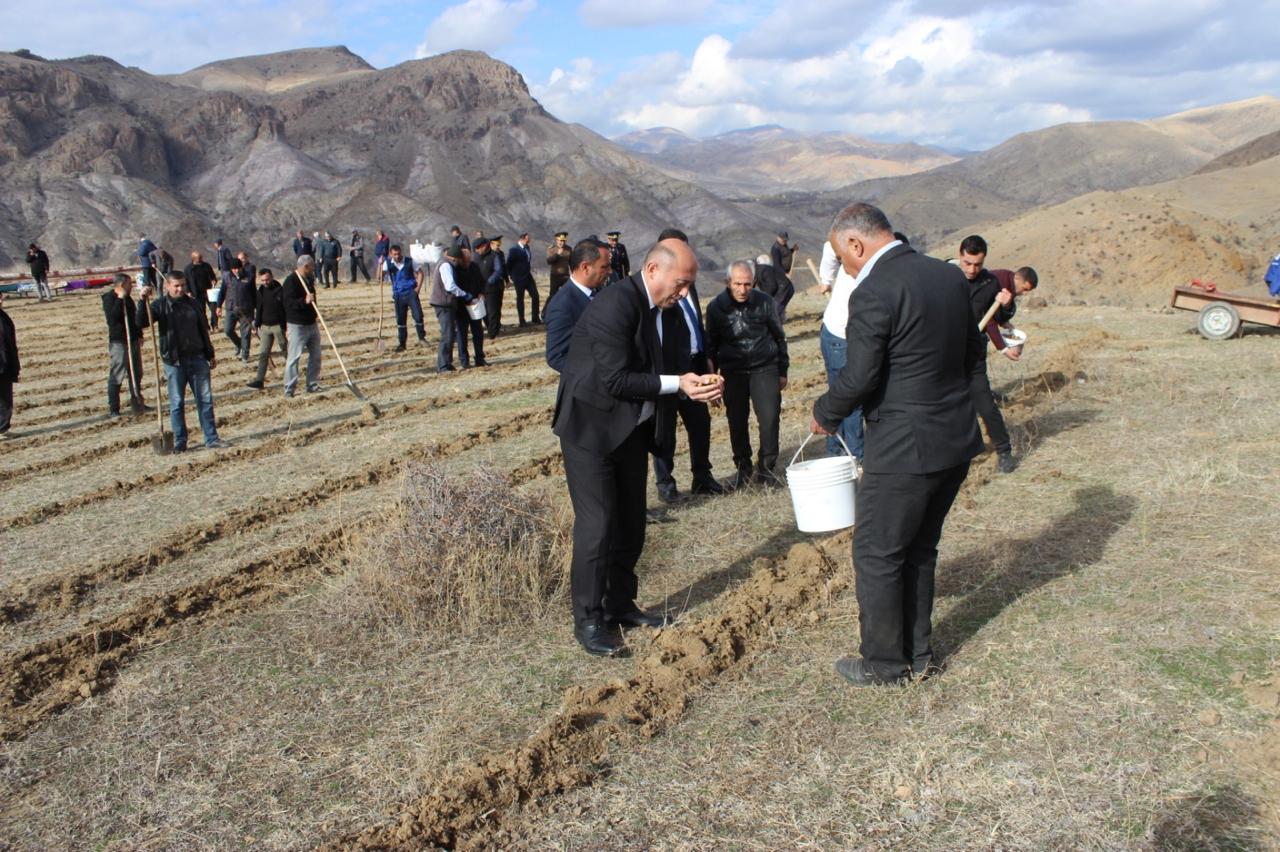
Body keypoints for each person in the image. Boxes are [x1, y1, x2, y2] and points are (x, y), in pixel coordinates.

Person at [811, 203, 984, 686]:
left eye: (843, 258)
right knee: (920, 548)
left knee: (877, 552)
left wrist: (825, 412)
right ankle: (920, 653)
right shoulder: (948, 278)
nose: (846, 268)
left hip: (904, 447)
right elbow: (972, 354)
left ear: (856, 244)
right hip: (954, 439)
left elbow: (860, 375)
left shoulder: (874, 291)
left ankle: (884, 663)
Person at [553, 238, 723, 657]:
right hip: (592, 431)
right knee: (598, 527)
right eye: (680, 284)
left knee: (631, 521)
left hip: (629, 428)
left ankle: (620, 604)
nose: (684, 294)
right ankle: (590, 620)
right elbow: (616, 379)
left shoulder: (656, 306)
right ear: (652, 271)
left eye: (688, 286)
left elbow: (660, 365)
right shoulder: (618, 304)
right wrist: (677, 383)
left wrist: (694, 382)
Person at [707, 260, 789, 489]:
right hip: (733, 372)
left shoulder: (765, 302)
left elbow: (779, 336)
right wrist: (712, 378)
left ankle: (767, 469)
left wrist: (783, 370)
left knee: (770, 419)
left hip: (765, 368)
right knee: (737, 421)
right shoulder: (715, 308)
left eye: (748, 284)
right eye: (737, 284)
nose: (743, 290)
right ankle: (743, 468)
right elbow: (710, 346)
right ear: (727, 283)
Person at [137, 272, 229, 451]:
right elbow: (141, 322)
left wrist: (210, 354)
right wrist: (142, 300)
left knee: (205, 400)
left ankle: (211, 438)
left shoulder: (193, 304)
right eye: (176, 286)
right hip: (174, 362)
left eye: (183, 285)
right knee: (177, 403)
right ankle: (180, 441)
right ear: (167, 287)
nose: (180, 289)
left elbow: (203, 330)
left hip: (198, 359)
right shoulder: (160, 305)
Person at [957, 235, 1016, 473]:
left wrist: (1006, 305)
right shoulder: (945, 276)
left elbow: (1001, 319)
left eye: (977, 264)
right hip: (945, 352)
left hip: (973, 354)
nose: (972, 269)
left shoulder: (990, 283)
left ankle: (1004, 450)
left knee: (984, 403)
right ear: (960, 255)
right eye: (967, 263)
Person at [817, 237, 866, 461]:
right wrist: (826, 279)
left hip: (838, 332)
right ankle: (851, 457)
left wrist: (827, 280)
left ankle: (839, 453)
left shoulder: (863, 255)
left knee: (840, 395)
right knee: (849, 398)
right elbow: (830, 246)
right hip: (841, 335)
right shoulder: (863, 259)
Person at [544, 237, 610, 373]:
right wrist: (599, 375)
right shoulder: (562, 306)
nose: (610, 271)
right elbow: (557, 357)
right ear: (585, 267)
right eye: (604, 267)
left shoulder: (601, 293)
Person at [102, 273, 147, 417]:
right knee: (117, 373)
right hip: (119, 342)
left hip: (132, 340)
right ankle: (114, 408)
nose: (131, 286)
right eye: (129, 284)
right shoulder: (109, 298)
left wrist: (139, 334)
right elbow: (113, 318)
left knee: (136, 372)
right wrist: (119, 299)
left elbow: (134, 318)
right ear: (121, 285)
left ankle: (137, 401)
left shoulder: (128, 299)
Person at [427, 246, 474, 372]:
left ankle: (447, 363)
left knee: (450, 334)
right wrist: (464, 294)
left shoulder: (445, 264)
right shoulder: (446, 266)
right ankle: (442, 365)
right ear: (455, 258)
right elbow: (450, 286)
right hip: (444, 304)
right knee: (447, 335)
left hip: (446, 304)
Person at [281, 255, 322, 397]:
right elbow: (288, 303)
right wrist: (303, 301)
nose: (313, 268)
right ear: (305, 266)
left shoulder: (309, 279)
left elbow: (313, 298)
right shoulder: (291, 281)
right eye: (312, 266)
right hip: (297, 325)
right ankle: (289, 389)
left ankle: (312, 384)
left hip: (311, 323)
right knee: (294, 358)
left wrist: (315, 312)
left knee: (316, 355)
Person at [246, 268, 286, 391]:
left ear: (272, 277)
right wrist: (256, 325)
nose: (265, 282)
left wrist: (286, 327)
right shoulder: (260, 291)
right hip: (264, 327)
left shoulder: (280, 291)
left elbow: (285, 310)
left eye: (267, 279)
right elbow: (259, 309)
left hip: (278, 326)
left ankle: (291, 376)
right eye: (263, 280)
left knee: (286, 351)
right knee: (263, 354)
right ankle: (259, 380)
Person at [384, 244, 427, 352]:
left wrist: (417, 289)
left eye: (399, 254)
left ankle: (421, 338)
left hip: (411, 293)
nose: (397, 256)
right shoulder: (388, 263)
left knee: (418, 316)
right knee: (401, 320)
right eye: (395, 254)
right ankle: (402, 344)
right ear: (391, 254)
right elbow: (379, 276)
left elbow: (421, 273)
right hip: (398, 295)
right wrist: (380, 267)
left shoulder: (410, 261)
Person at [455, 247, 488, 368]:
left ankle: (480, 358)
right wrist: (465, 300)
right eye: (465, 260)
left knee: (478, 332)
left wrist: (481, 293)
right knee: (462, 335)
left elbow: (482, 282)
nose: (467, 262)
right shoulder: (456, 269)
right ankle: (464, 360)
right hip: (461, 307)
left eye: (469, 260)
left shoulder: (474, 266)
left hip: (475, 305)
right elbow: (455, 289)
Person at [217, 257, 255, 363]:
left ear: (241, 267)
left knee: (246, 333)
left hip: (246, 309)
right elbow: (222, 292)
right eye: (233, 269)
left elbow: (254, 294)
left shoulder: (248, 277)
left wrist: (255, 310)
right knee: (228, 330)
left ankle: (245, 354)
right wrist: (219, 306)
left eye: (238, 268)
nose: (236, 270)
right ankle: (239, 344)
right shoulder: (227, 278)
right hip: (231, 308)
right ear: (231, 269)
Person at [507, 232, 540, 326]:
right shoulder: (514, 250)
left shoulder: (527, 248)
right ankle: (522, 320)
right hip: (518, 278)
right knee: (520, 299)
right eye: (527, 238)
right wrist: (511, 276)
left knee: (535, 295)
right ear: (523, 239)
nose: (529, 240)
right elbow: (509, 264)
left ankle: (535, 318)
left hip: (528, 276)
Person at [477, 236, 506, 339]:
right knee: (486, 311)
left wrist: (492, 280)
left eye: (499, 245)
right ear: (491, 244)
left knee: (495, 310)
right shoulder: (479, 256)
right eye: (496, 245)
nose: (498, 247)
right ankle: (493, 328)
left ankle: (493, 332)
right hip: (482, 288)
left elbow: (501, 270)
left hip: (496, 287)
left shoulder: (498, 255)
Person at [752, 253, 795, 323]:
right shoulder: (758, 271)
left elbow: (772, 286)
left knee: (774, 311)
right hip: (782, 289)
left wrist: (763, 297)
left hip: (784, 290)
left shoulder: (763, 271)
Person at [183, 251, 218, 331]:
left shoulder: (206, 266)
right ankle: (206, 328)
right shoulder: (188, 269)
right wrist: (188, 291)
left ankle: (215, 325)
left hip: (209, 292)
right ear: (194, 259)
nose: (201, 259)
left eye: (201, 257)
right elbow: (186, 282)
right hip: (196, 293)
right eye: (199, 258)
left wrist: (213, 280)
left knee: (214, 309)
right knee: (202, 311)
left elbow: (213, 276)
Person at [0, 291, 18, 438]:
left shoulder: (3, 316)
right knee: (4, 398)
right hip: (2, 364)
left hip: (5, 363)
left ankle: (2, 428)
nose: (2, 299)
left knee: (5, 399)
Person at [546, 231, 572, 301]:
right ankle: (548, 311)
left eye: (564, 241)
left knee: (568, 294)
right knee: (553, 296)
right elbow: (549, 261)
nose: (562, 243)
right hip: (555, 276)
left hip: (565, 276)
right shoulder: (551, 249)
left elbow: (571, 262)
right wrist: (557, 254)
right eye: (560, 241)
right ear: (556, 240)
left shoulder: (569, 249)